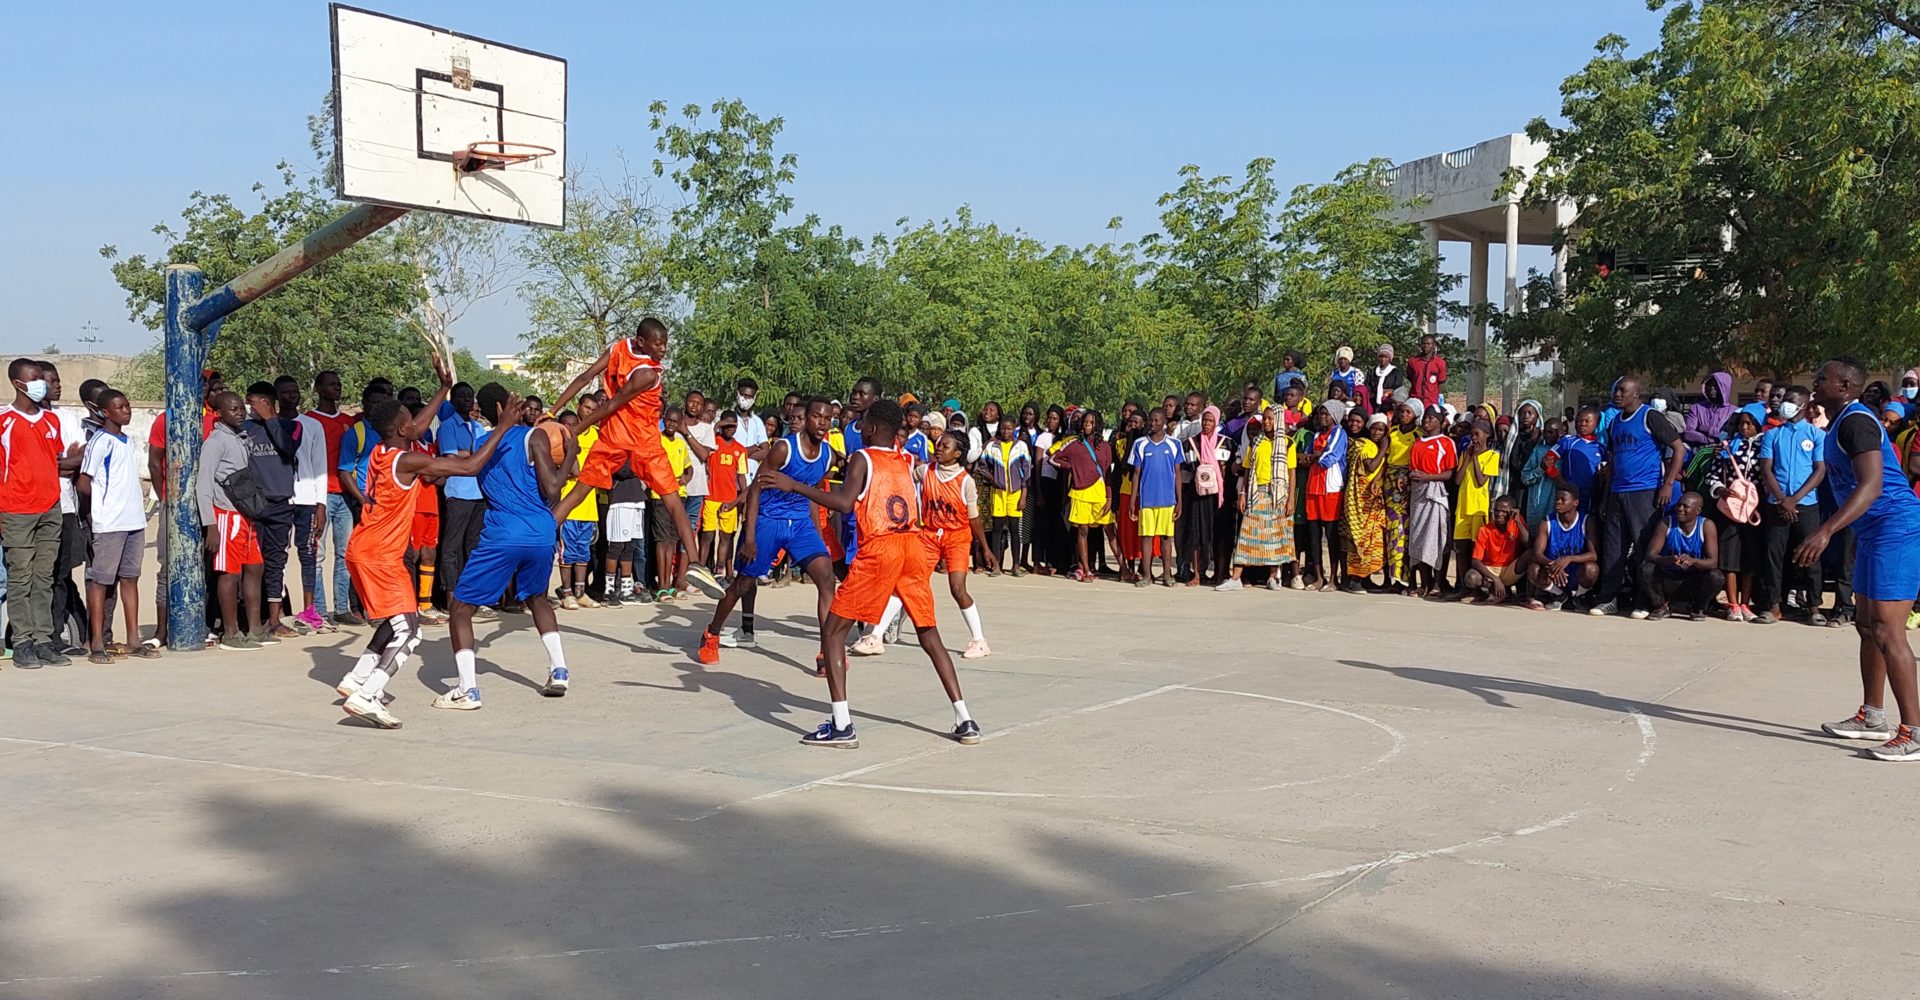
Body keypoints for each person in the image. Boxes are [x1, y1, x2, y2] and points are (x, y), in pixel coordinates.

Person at [756, 399, 980, 748]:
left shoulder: (864, 458)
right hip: (913, 546)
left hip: (882, 548)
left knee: (832, 632)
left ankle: (842, 725)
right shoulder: (906, 459)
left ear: (871, 428)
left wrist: (793, 486)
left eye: (862, 426)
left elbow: (845, 503)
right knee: (929, 633)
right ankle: (964, 718)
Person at [336, 376, 514, 727]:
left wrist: (444, 388)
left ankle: (357, 678)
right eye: (411, 420)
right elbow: (469, 466)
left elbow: (413, 426)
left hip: (364, 548)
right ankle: (367, 695)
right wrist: (502, 427)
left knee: (394, 620)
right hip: (381, 555)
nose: (417, 424)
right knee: (410, 631)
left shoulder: (379, 451)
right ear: (404, 428)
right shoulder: (408, 460)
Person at [424, 381, 577, 715]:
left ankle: (467, 689)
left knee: (461, 608)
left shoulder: (482, 443)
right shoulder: (532, 437)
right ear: (502, 408)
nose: (523, 407)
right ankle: (559, 669)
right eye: (516, 402)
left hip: (504, 533)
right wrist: (571, 457)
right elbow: (552, 489)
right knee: (538, 598)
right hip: (540, 532)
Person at [1793, 360, 1920, 758]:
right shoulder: (1839, 423)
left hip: (1895, 529)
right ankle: (1871, 716)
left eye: (1821, 378)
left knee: (1887, 629)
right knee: (1865, 624)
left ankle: (1914, 732)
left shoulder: (1857, 422)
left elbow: (1872, 484)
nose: (1815, 383)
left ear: (1845, 385)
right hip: (1872, 532)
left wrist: (1826, 529)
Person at [549, 317, 713, 596]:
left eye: (665, 344)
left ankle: (695, 565)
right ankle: (696, 563)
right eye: (658, 344)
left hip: (614, 437)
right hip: (641, 441)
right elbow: (595, 387)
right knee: (672, 501)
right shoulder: (642, 368)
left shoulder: (627, 355)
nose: (663, 349)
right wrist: (554, 413)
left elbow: (599, 391)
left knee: (582, 492)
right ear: (641, 342)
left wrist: (573, 424)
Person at [699, 397, 837, 663]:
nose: (822, 423)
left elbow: (810, 495)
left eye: (828, 418)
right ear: (806, 418)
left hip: (799, 524)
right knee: (743, 583)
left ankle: (826, 652)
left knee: (827, 579)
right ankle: (712, 632)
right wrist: (749, 537)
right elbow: (755, 491)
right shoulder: (783, 449)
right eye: (818, 416)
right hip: (768, 520)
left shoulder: (828, 455)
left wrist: (817, 535)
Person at [1589, 377, 1685, 616]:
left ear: (1636, 394)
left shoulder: (1649, 416)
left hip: (1644, 491)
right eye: (1616, 389)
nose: (1617, 394)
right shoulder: (1614, 423)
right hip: (1618, 492)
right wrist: (1605, 497)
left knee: (1643, 547)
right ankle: (1608, 598)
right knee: (1613, 548)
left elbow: (1679, 448)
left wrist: (1668, 483)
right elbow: (1612, 461)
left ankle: (1645, 601)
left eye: (1623, 390)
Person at [0, 360, 74, 667]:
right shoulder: (5, 420)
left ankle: (45, 638)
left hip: (49, 507)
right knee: (20, 577)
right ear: (18, 383)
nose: (40, 385)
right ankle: (22, 642)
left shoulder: (50, 421)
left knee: (44, 577)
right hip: (16, 509)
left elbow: (55, 459)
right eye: (34, 380)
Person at [74, 389, 151, 663]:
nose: (126, 411)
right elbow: (85, 482)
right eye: (119, 407)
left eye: (128, 406)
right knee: (101, 581)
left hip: (134, 522)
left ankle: (133, 640)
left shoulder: (126, 440)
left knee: (130, 578)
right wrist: (102, 510)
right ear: (106, 412)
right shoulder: (101, 441)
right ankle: (96, 643)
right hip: (110, 524)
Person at [197, 391, 264, 650]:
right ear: (220, 413)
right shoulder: (215, 442)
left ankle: (255, 628)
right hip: (225, 514)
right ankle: (231, 632)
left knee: (255, 566)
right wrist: (210, 523)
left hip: (245, 514)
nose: (240, 413)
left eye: (241, 408)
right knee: (229, 573)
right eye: (234, 409)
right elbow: (204, 484)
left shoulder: (241, 437)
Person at [1756, 384, 1826, 625]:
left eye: (1790, 399)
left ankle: (1814, 607)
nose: (1783, 402)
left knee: (1810, 556)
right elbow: (1766, 468)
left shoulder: (1817, 435)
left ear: (1803, 405)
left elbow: (1819, 470)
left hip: (1806, 504)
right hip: (1776, 504)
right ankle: (1773, 606)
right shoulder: (1773, 434)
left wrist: (1794, 500)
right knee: (1774, 555)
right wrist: (1781, 499)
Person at [241, 381, 302, 642]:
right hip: (253, 506)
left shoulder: (292, 426)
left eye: (255, 403)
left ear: (268, 402)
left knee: (277, 562)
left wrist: (271, 420)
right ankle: (251, 620)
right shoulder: (243, 429)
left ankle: (275, 619)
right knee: (253, 564)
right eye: (248, 403)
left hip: (280, 505)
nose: (250, 409)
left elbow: (288, 450)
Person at [1215, 408, 1295, 591]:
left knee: (1275, 538)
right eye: (1265, 419)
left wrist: (1290, 500)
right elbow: (1248, 470)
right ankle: (1236, 578)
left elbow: (1292, 474)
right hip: (1256, 494)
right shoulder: (1256, 442)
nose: (1266, 422)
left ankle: (1273, 577)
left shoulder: (1287, 444)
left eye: (1270, 419)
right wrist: (1242, 494)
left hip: (1277, 495)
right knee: (1247, 536)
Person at [1709, 411, 1765, 621]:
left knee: (1750, 558)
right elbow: (1712, 474)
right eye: (1741, 423)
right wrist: (1721, 489)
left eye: (1750, 423)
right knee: (1730, 557)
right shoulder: (1727, 446)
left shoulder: (1765, 446)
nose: (1744, 427)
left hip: (1754, 510)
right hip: (1730, 510)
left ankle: (1746, 603)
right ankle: (1733, 604)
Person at [1638, 491, 1722, 622]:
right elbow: (1650, 555)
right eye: (1678, 505)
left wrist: (1693, 561)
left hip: (1694, 580)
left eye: (1685, 506)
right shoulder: (1666, 523)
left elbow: (1713, 562)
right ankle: (1660, 606)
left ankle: (1698, 608)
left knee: (1716, 577)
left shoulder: (1706, 525)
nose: (1680, 509)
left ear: (1697, 510)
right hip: (1669, 578)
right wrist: (1668, 560)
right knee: (1646, 569)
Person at [1051, 409, 1115, 583]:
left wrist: (1109, 497)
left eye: (1091, 422)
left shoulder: (1105, 446)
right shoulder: (1074, 444)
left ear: (1098, 425)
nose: (1087, 425)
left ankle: (1124, 568)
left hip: (1100, 492)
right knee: (1083, 531)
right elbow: (1053, 457)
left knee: (1110, 531)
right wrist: (1069, 466)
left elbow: (1108, 472)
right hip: (1080, 492)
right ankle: (1086, 569)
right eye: (1085, 422)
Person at [1405, 405, 1458, 598]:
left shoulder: (1446, 443)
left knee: (1437, 538)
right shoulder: (1417, 443)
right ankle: (1423, 583)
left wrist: (1428, 477)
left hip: (1435, 492)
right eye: (1425, 418)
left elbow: (1449, 473)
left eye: (1431, 418)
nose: (1426, 421)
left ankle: (1437, 583)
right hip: (1418, 494)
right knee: (1418, 537)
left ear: (1440, 422)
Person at [1129, 407, 1182, 588]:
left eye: (1157, 421)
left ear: (1164, 422)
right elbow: (1136, 474)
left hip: (1167, 500)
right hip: (1147, 500)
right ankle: (1146, 575)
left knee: (1166, 538)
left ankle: (1167, 575)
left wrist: (1179, 501)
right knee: (1147, 537)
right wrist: (1132, 500)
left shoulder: (1174, 444)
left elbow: (1177, 474)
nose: (1153, 424)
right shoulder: (1140, 444)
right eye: (1151, 420)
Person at [557, 402, 601, 610]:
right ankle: (566, 593)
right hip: (568, 504)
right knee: (567, 552)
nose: (590, 412)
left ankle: (580, 592)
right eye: (586, 407)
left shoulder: (596, 435)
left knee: (583, 551)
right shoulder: (560, 440)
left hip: (589, 504)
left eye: (594, 409)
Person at [1527, 483, 1599, 610]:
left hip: (1576, 573)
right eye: (1556, 499)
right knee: (1534, 569)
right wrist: (1555, 564)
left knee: (1591, 569)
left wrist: (1568, 559)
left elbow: (1593, 555)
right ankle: (1558, 595)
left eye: (1563, 499)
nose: (1558, 502)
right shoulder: (1547, 522)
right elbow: (1536, 553)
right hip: (1553, 572)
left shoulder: (1586, 521)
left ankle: (1579, 596)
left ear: (1575, 503)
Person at [1449, 420, 1500, 597]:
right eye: (1472, 435)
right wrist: (1469, 457)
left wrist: (1477, 458)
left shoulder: (1492, 456)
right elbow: (1457, 479)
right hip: (1463, 507)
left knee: (1475, 549)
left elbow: (1480, 481)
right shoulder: (1466, 453)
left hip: (1478, 508)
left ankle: (1476, 589)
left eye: (1477, 434)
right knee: (1461, 547)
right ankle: (1463, 587)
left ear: (1487, 435)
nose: (1474, 438)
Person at [1300, 407, 1348, 589]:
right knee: (1313, 534)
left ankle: (1334, 578)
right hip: (1313, 486)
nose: (1323, 417)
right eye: (1321, 414)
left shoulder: (1339, 433)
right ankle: (1319, 576)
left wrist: (1314, 457)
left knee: (1331, 533)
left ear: (1335, 416)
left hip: (1330, 487)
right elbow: (1305, 457)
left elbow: (1331, 456)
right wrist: (1313, 456)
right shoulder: (1316, 435)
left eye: (1327, 414)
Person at [1342, 411, 1389, 591]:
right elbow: (1370, 466)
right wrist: (1384, 447)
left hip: (1374, 501)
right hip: (1360, 500)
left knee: (1374, 540)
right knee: (1359, 538)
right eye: (1374, 429)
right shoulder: (1363, 445)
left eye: (1381, 430)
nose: (1377, 433)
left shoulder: (1375, 447)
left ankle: (1366, 576)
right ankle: (1355, 579)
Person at [1179, 405, 1226, 586]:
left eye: (1210, 421)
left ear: (1216, 422)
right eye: (1204, 420)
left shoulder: (1224, 442)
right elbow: (1184, 470)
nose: (1207, 424)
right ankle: (1197, 573)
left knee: (1217, 535)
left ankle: (1218, 574)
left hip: (1217, 498)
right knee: (1196, 535)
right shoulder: (1191, 443)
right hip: (1196, 496)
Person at [702, 411, 749, 583]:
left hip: (729, 500)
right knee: (707, 535)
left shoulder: (740, 450)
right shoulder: (713, 442)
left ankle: (719, 571)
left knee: (725, 537)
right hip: (711, 497)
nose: (729, 429)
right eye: (726, 425)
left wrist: (743, 501)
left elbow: (742, 477)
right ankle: (700, 569)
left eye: (733, 426)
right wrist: (717, 426)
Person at [981, 415, 1031, 576]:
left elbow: (1026, 473)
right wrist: (992, 479)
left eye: (1009, 428)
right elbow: (982, 466)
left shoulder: (1021, 446)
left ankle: (1016, 565)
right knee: (997, 529)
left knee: (1014, 528)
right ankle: (996, 565)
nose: (1006, 431)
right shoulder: (992, 446)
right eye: (1003, 428)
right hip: (998, 492)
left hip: (1015, 492)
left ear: (1014, 428)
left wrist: (1023, 495)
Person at [1460, 495, 1530, 605]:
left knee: (1530, 553)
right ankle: (1494, 592)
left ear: (1511, 512)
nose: (1499, 514)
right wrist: (1495, 579)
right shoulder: (1485, 530)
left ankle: (1522, 594)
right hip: (1491, 569)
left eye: (1504, 511)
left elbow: (1528, 543)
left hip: (1509, 569)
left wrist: (1518, 521)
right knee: (1471, 577)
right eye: (1496, 510)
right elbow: (1475, 560)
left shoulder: (1516, 523)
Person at [1545, 406, 1605, 514]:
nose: (1582, 424)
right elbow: (1546, 462)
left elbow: (1605, 473)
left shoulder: (1602, 448)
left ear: (1597, 423)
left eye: (1587, 421)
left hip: (1592, 499)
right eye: (1580, 420)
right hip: (1569, 498)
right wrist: (1561, 481)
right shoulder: (1568, 441)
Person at [1683, 372, 1736, 447]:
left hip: (1724, 451)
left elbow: (1729, 434)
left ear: (1725, 387)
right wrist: (1707, 440)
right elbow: (1688, 433)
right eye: (1709, 385)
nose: (1712, 388)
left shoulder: (1734, 411)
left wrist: (1707, 429)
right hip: (1700, 451)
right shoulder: (1696, 408)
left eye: (1716, 386)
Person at [1361, 345, 1404, 417]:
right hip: (1372, 405)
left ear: (1390, 359)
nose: (1383, 359)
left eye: (1386, 357)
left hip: (1389, 406)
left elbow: (1398, 389)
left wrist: (1386, 392)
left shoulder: (1395, 373)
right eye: (1381, 356)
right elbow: (1367, 387)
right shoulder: (1372, 372)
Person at [1407, 334, 1447, 408]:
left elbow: (1441, 381)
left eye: (1428, 344)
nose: (1425, 346)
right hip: (1414, 400)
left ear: (1434, 345)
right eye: (1423, 344)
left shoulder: (1440, 362)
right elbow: (1410, 377)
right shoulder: (1413, 361)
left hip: (1431, 401)